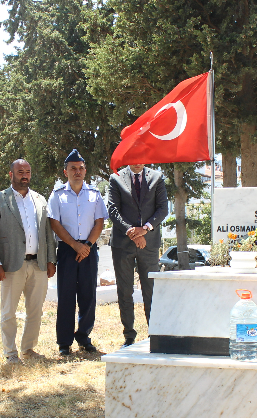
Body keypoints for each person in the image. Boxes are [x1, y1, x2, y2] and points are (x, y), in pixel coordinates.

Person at [0, 159, 58, 363]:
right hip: (10, 265)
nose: (24, 175)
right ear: (11, 174)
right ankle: (10, 352)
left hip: (39, 264)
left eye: (27, 172)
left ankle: (28, 349)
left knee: (35, 310)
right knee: (9, 312)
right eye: (20, 172)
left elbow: (47, 233)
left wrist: (51, 259)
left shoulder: (40, 200)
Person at [48, 149, 107, 356]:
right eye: (73, 168)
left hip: (89, 249)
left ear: (85, 170)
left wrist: (87, 246)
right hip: (67, 249)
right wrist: (75, 245)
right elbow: (54, 223)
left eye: (81, 168)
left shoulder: (95, 194)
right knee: (65, 296)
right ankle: (64, 342)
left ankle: (84, 337)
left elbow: (99, 222)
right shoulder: (57, 195)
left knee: (88, 295)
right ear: (66, 172)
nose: (77, 172)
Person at [106, 163, 169, 345]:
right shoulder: (116, 178)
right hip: (122, 244)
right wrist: (131, 232)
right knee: (125, 291)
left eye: (141, 157)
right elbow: (113, 210)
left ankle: (154, 334)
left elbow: (163, 209)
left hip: (148, 244)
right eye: (133, 157)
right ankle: (129, 336)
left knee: (151, 291)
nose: (137, 161)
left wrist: (145, 230)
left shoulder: (157, 177)